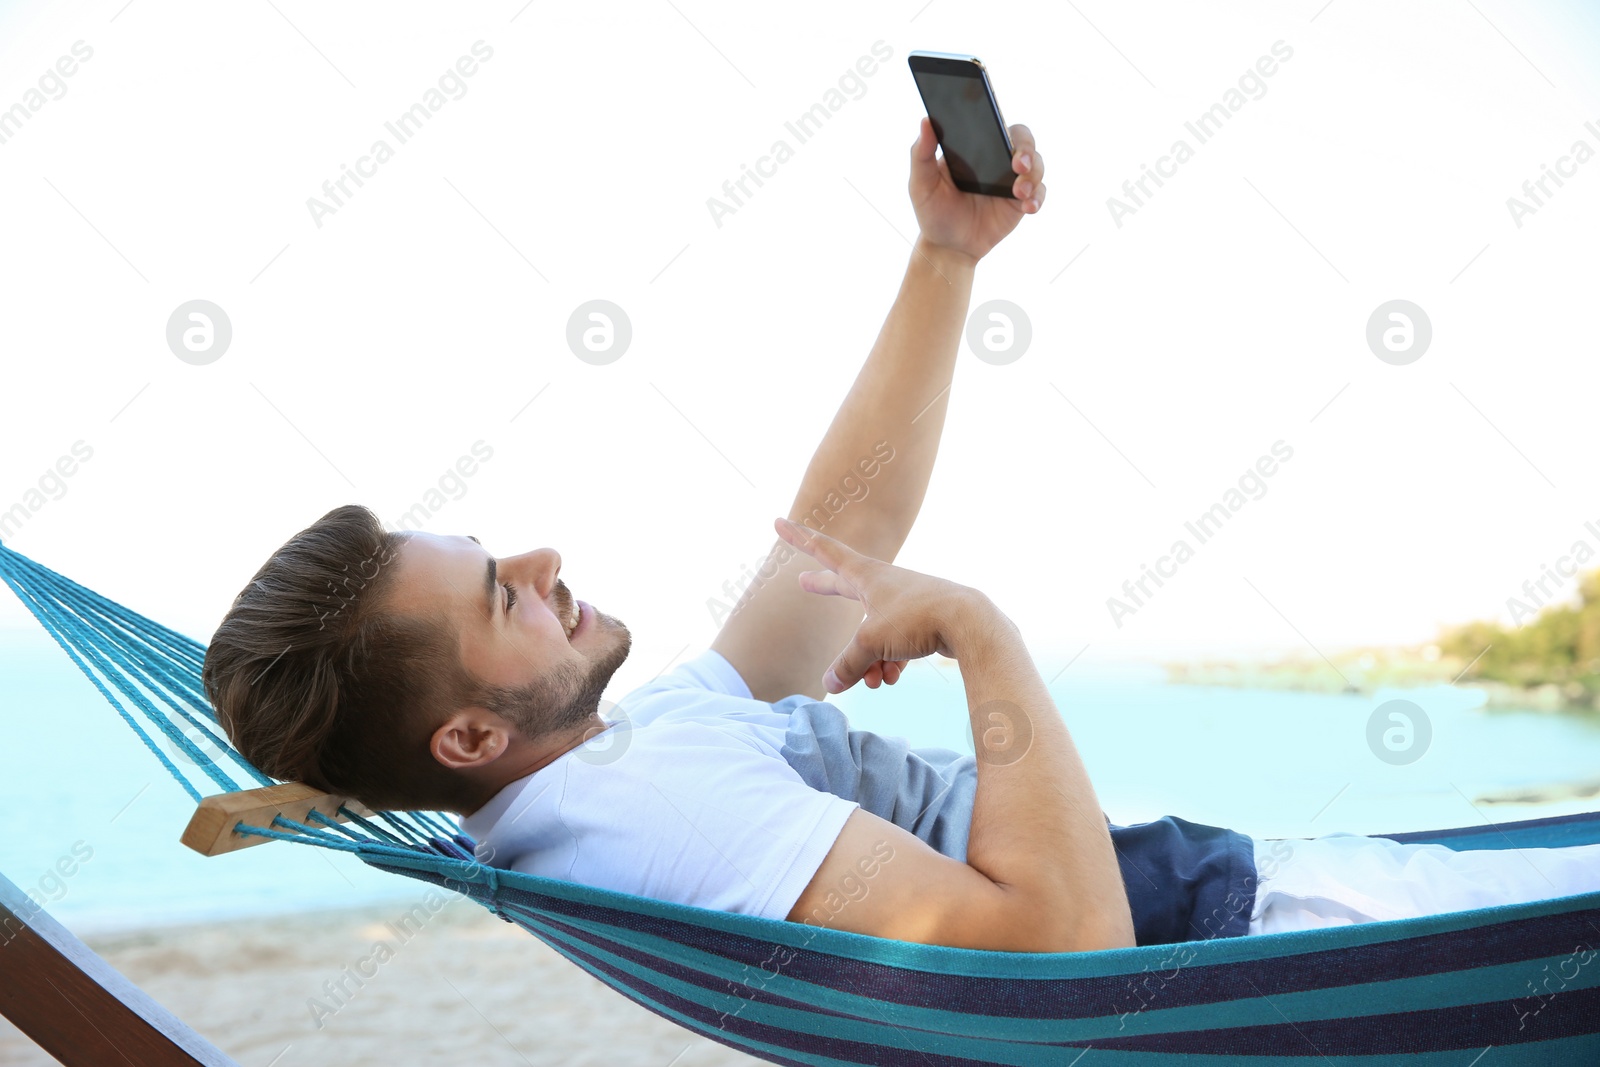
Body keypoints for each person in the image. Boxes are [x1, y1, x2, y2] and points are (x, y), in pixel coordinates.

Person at [203, 118, 1600, 953]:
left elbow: (840, 535)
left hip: (1254, 888)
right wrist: (977, 630)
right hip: (1269, 939)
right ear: (463, 740)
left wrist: (946, 255)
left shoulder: (595, 779)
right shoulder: (656, 813)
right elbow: (1064, 948)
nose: (548, 559)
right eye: (503, 595)